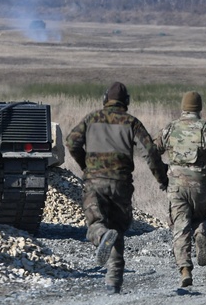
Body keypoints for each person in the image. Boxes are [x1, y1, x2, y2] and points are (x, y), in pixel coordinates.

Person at [65, 82, 169, 294]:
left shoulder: (92, 119)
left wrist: (86, 165)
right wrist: (162, 179)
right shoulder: (131, 123)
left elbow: (71, 142)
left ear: (105, 99)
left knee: (97, 224)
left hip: (94, 182)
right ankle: (113, 282)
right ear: (127, 102)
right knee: (118, 231)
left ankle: (102, 236)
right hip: (121, 184)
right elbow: (150, 153)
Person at [154, 91, 206, 290]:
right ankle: (201, 232)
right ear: (199, 107)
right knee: (201, 217)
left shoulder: (170, 129)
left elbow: (152, 151)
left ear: (183, 107)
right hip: (199, 184)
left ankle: (185, 269)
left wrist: (162, 173)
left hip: (176, 184)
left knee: (180, 227)